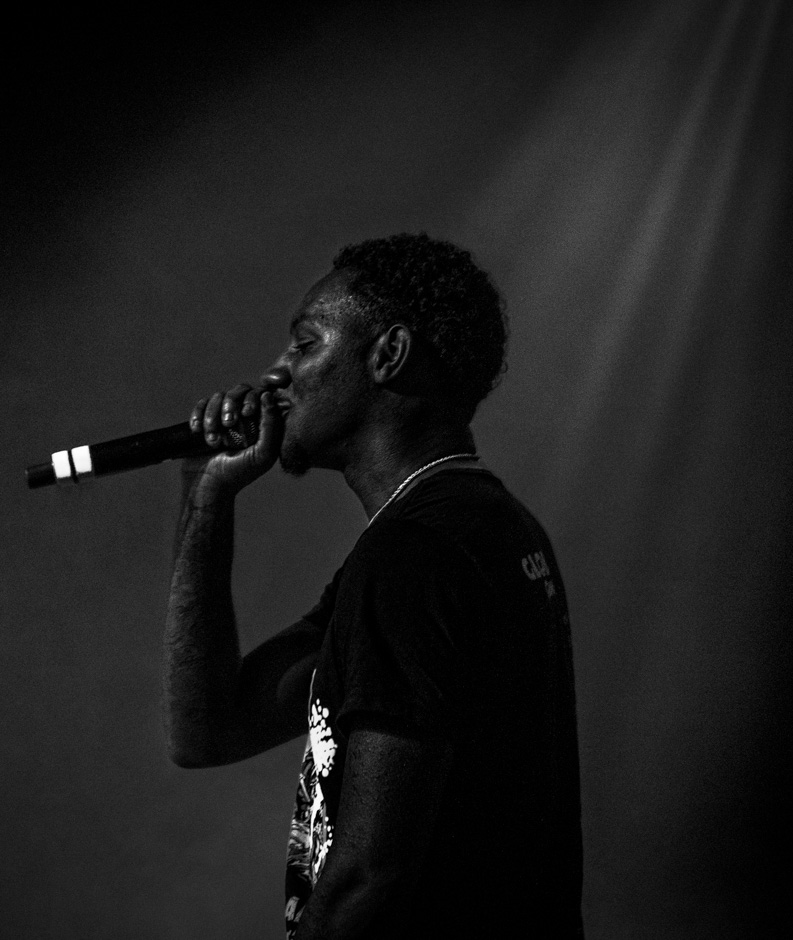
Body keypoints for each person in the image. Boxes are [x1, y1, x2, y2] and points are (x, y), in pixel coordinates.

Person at [163, 233, 582, 939]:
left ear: (387, 355)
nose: (276, 374)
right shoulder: (488, 530)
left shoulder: (417, 554)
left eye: (304, 344)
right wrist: (205, 495)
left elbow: (369, 877)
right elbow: (210, 728)